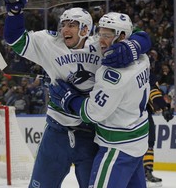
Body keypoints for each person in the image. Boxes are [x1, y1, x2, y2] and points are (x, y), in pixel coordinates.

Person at [0, 0, 151, 187]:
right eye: (63, 24)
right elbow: (15, 39)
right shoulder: (49, 42)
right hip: (57, 130)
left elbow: (140, 36)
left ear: (86, 29)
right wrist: (14, 12)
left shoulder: (102, 45)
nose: (65, 29)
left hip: (90, 132)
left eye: (72, 25)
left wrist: (133, 47)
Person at [49, 12, 152, 187]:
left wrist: (69, 99)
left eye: (106, 35)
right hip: (138, 142)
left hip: (117, 149)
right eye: (100, 33)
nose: (100, 41)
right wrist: (135, 44)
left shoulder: (111, 76)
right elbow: (142, 36)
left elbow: (91, 114)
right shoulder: (143, 58)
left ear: (121, 36)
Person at [144, 72, 174, 187]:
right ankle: (146, 171)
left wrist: (163, 107)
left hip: (124, 113)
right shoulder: (147, 73)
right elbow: (153, 92)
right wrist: (164, 107)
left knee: (146, 143)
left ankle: (144, 171)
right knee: (148, 142)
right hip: (141, 114)